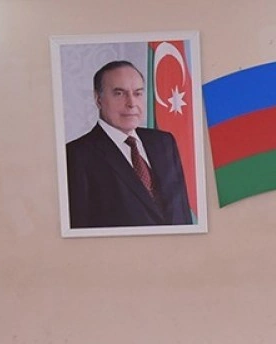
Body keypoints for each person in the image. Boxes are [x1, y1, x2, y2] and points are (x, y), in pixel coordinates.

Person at [66, 60, 191, 228]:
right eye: (119, 93)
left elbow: (182, 211)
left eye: (137, 93)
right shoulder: (76, 155)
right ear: (98, 99)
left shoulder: (164, 142)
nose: (131, 103)